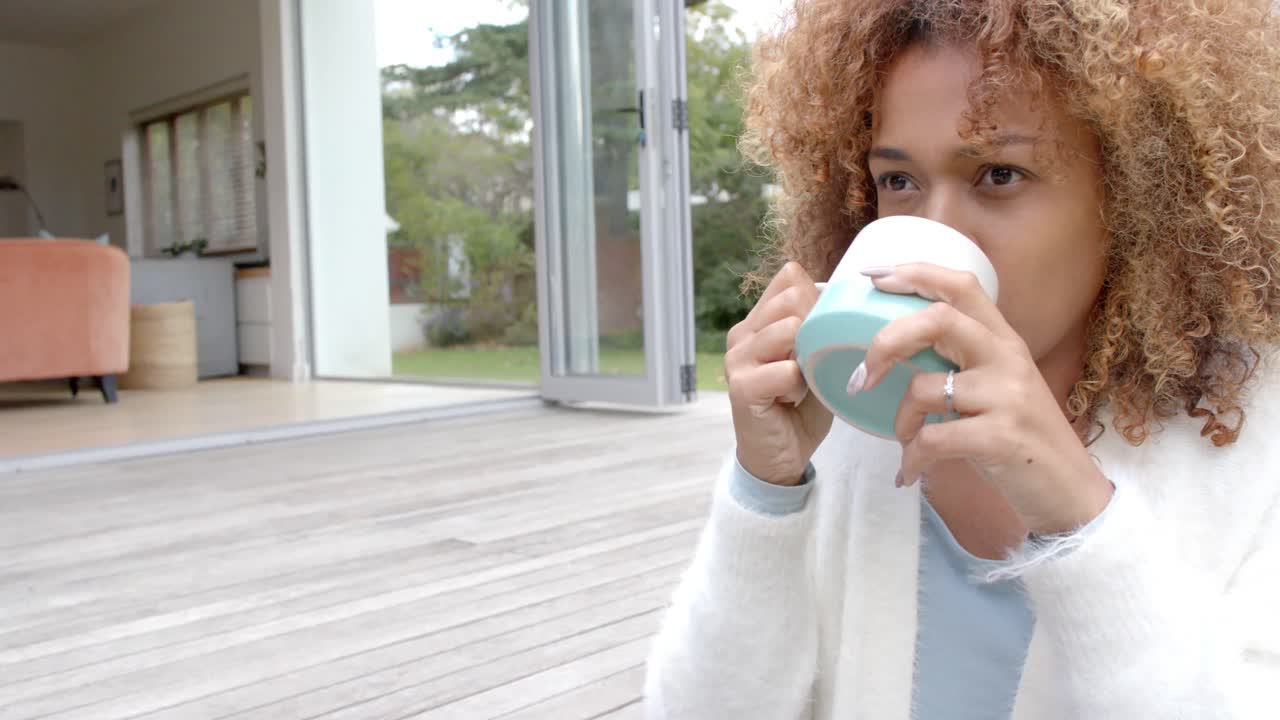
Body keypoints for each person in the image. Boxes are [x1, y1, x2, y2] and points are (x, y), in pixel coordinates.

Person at [644, 1, 1280, 718]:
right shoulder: (854, 419)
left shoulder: (1253, 446)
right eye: (900, 182)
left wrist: (1079, 517)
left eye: (1000, 174)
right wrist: (765, 492)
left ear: (1136, 196)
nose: (929, 234)